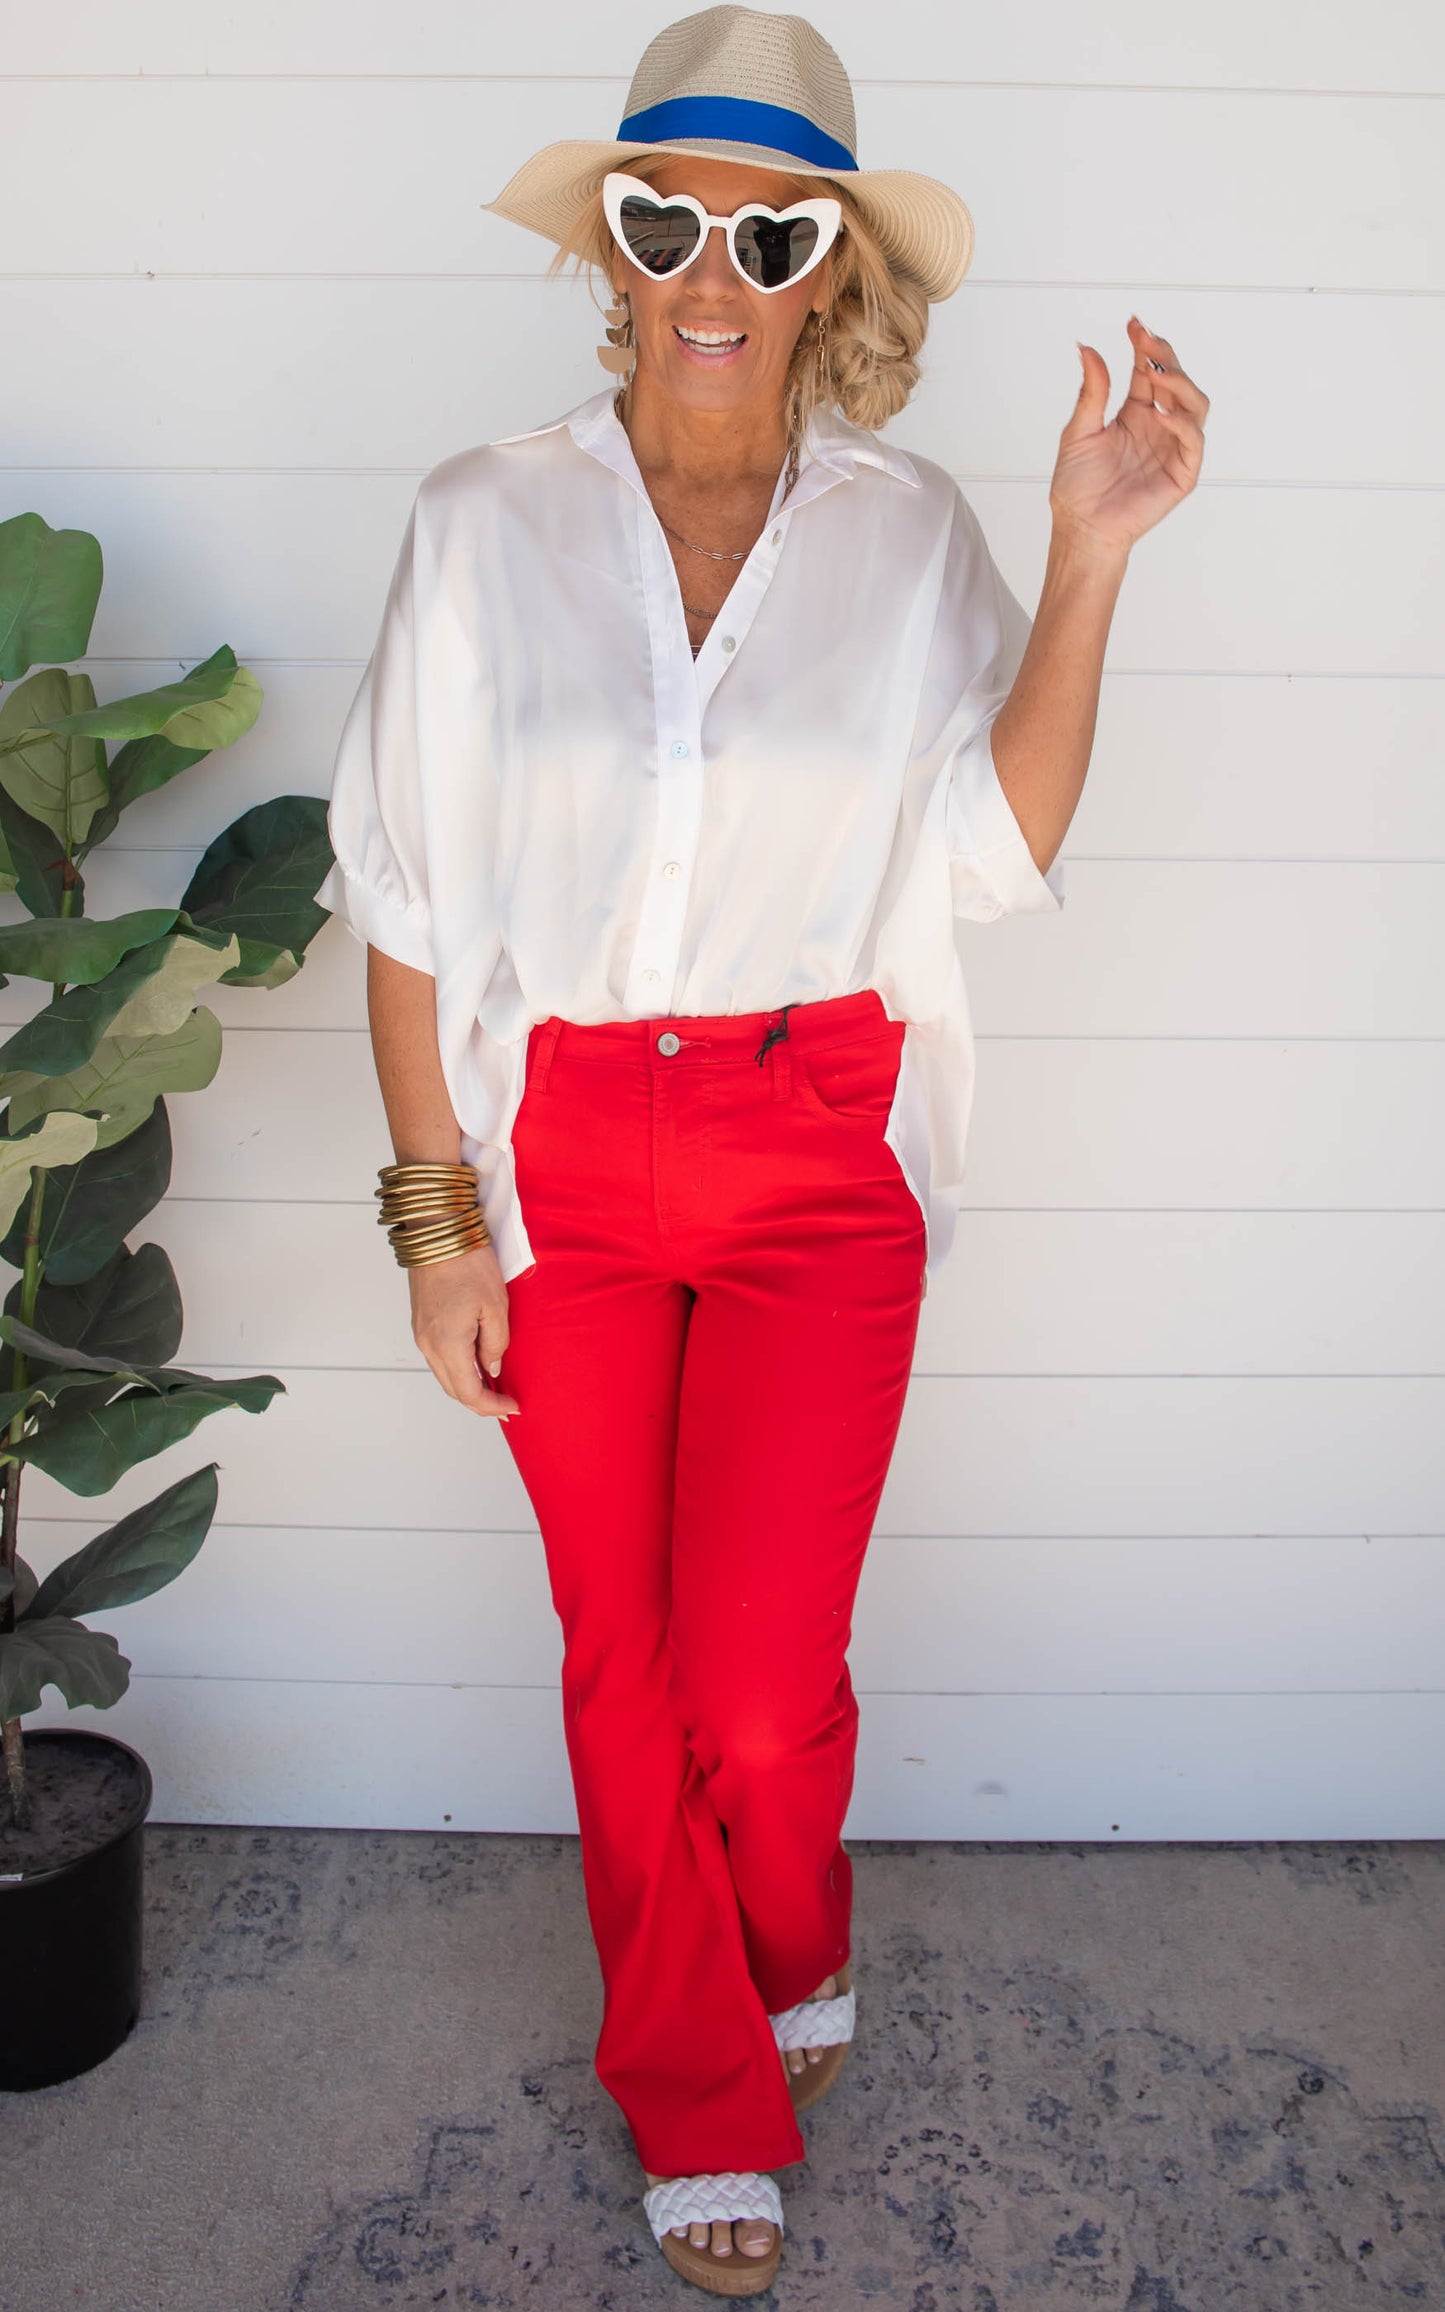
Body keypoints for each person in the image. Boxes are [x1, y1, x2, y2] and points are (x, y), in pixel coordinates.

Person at [315, 4, 1208, 2294]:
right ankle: (699, 2084)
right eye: (667, 219)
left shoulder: (906, 543)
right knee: (617, 1651)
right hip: (576, 1153)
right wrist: (441, 1222)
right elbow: (407, 904)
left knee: (753, 1677)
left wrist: (1090, 556)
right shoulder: (478, 518)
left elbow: (991, 851)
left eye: (770, 228)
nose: (713, 270)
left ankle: (795, 1937)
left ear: (833, 269)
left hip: (821, 1137)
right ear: (609, 244)